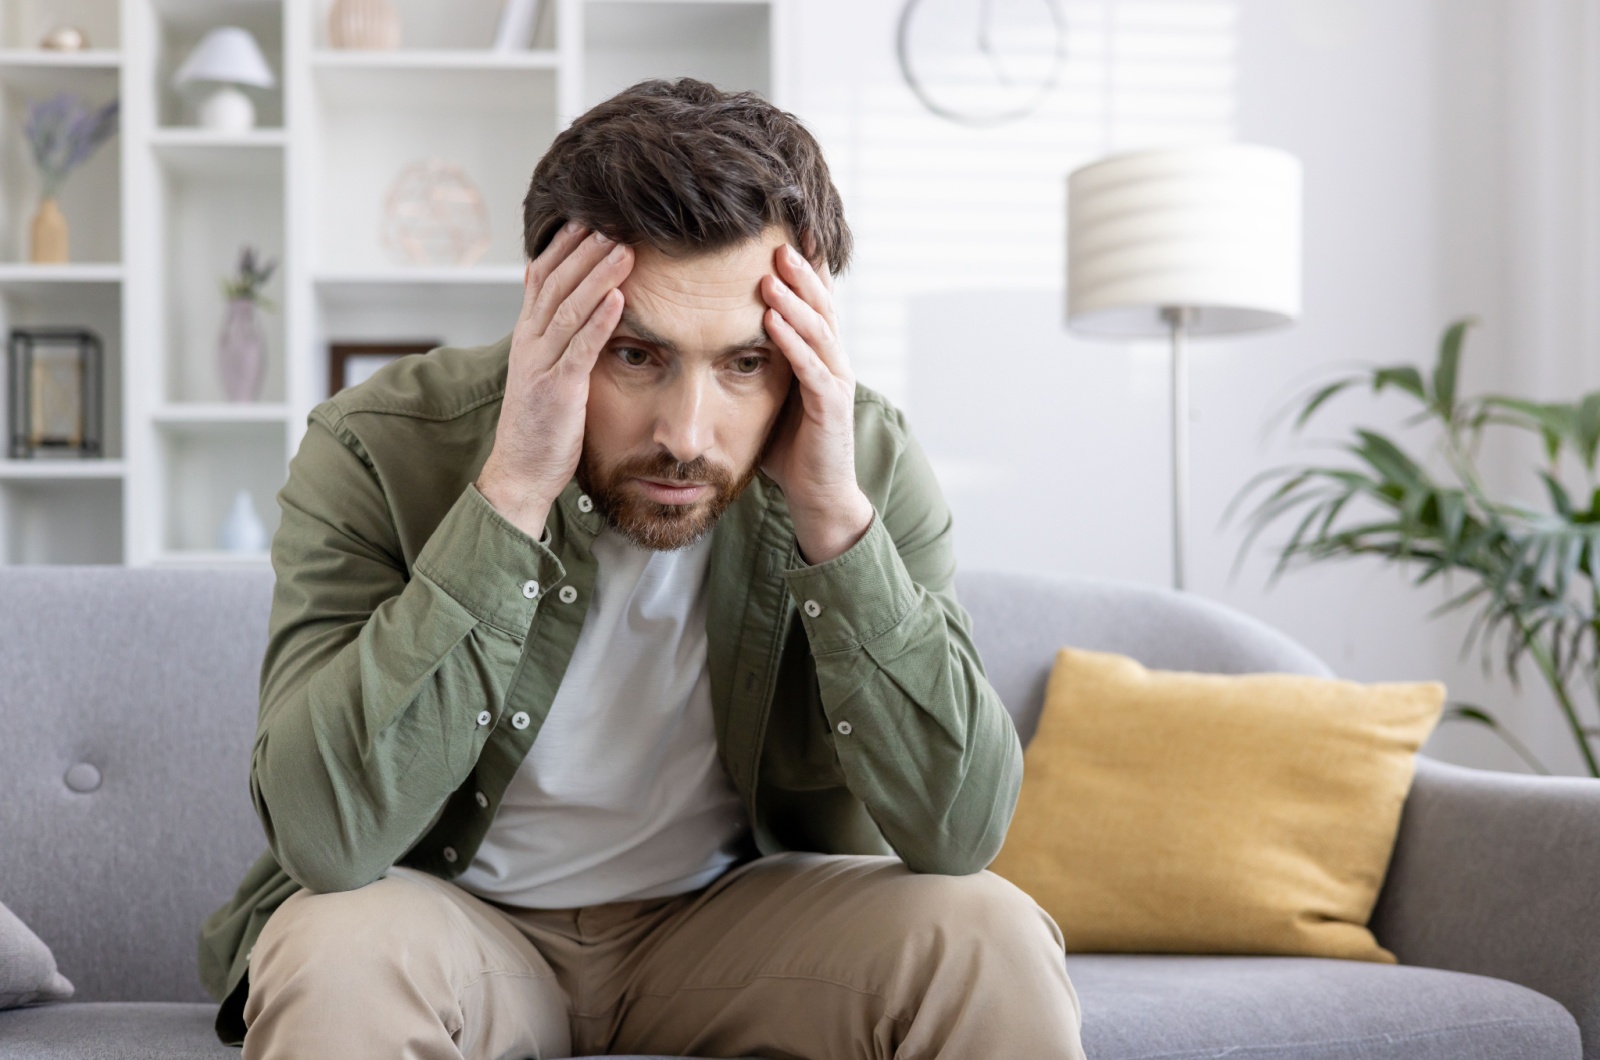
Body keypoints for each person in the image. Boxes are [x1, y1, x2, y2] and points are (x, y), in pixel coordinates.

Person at [198, 77, 1086, 1059]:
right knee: (332, 956)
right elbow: (324, 836)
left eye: (746, 363)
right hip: (455, 918)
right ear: (548, 308)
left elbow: (958, 832)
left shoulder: (861, 456)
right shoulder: (375, 443)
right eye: (634, 353)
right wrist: (512, 490)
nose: (685, 435)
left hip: (730, 927)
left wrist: (834, 518)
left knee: (987, 937)